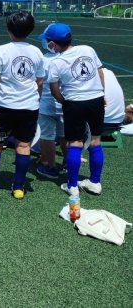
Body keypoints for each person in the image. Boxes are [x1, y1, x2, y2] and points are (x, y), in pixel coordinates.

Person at [0, 11, 44, 199]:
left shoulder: (1, 50)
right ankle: (18, 187)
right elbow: (39, 82)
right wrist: (35, 100)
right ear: (30, 30)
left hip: (6, 106)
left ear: (9, 29)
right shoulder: (37, 52)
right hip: (29, 107)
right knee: (23, 146)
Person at [45, 23, 106, 197]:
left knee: (75, 143)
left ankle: (72, 185)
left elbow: (54, 88)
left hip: (74, 103)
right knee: (95, 140)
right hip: (95, 99)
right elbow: (99, 72)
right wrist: (102, 92)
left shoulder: (56, 62)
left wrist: (62, 100)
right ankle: (95, 182)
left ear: (52, 44)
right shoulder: (88, 49)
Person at [36, 27, 65, 180]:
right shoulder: (66, 58)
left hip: (46, 104)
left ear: (52, 44)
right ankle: (68, 162)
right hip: (64, 103)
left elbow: (38, 82)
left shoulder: (43, 59)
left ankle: (50, 166)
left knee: (47, 136)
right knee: (64, 134)